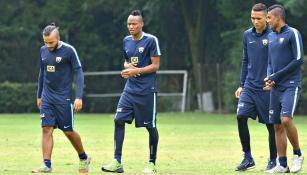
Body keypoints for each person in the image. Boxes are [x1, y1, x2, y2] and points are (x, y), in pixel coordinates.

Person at [101, 10, 161, 174]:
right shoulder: (126, 41)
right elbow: (126, 61)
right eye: (129, 24)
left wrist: (137, 71)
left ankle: (151, 163)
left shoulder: (151, 40)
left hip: (147, 91)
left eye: (134, 23)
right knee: (118, 120)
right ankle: (117, 161)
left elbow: (155, 65)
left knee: (150, 126)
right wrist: (127, 68)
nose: (131, 26)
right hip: (130, 90)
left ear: (141, 24)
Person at [32, 23, 91, 173]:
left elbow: (79, 73)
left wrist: (78, 97)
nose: (48, 45)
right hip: (47, 97)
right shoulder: (43, 50)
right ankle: (47, 165)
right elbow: (42, 73)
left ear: (58, 38)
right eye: (45, 42)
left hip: (63, 98)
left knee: (68, 131)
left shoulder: (69, 51)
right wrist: (39, 95)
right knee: (46, 129)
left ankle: (84, 157)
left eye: (51, 42)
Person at [235, 3, 277, 172]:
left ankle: (273, 159)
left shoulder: (274, 35)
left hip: (267, 89)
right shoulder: (247, 35)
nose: (255, 21)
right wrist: (241, 85)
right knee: (240, 116)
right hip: (250, 87)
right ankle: (247, 157)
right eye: (252, 18)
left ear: (267, 18)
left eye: (258, 18)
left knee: (270, 125)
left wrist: (275, 80)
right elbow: (245, 61)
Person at [264, 4, 304, 173]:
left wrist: (276, 76)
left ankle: (298, 155)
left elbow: (298, 60)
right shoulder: (271, 36)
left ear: (277, 18)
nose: (267, 21)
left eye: (268, 18)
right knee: (277, 125)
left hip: (291, 85)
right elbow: (270, 63)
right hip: (276, 87)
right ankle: (282, 164)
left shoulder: (293, 33)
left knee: (286, 120)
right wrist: (269, 78)